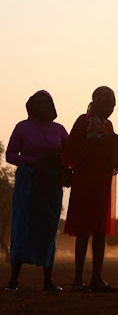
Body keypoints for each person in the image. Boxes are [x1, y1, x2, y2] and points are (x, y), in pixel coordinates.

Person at [4, 91, 68, 292]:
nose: (43, 107)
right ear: (31, 106)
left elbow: (69, 153)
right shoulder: (22, 127)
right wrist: (33, 162)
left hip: (51, 185)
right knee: (23, 227)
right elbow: (10, 155)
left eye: (46, 103)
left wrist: (63, 169)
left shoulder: (59, 129)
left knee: (48, 229)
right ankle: (13, 280)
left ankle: (47, 280)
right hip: (28, 185)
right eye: (38, 104)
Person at [63, 86, 118, 293]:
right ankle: (78, 279)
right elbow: (71, 150)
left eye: (113, 104)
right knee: (83, 231)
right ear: (96, 103)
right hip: (85, 181)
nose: (110, 108)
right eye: (106, 103)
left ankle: (96, 278)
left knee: (100, 232)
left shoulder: (108, 125)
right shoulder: (83, 121)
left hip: (102, 181)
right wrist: (96, 144)